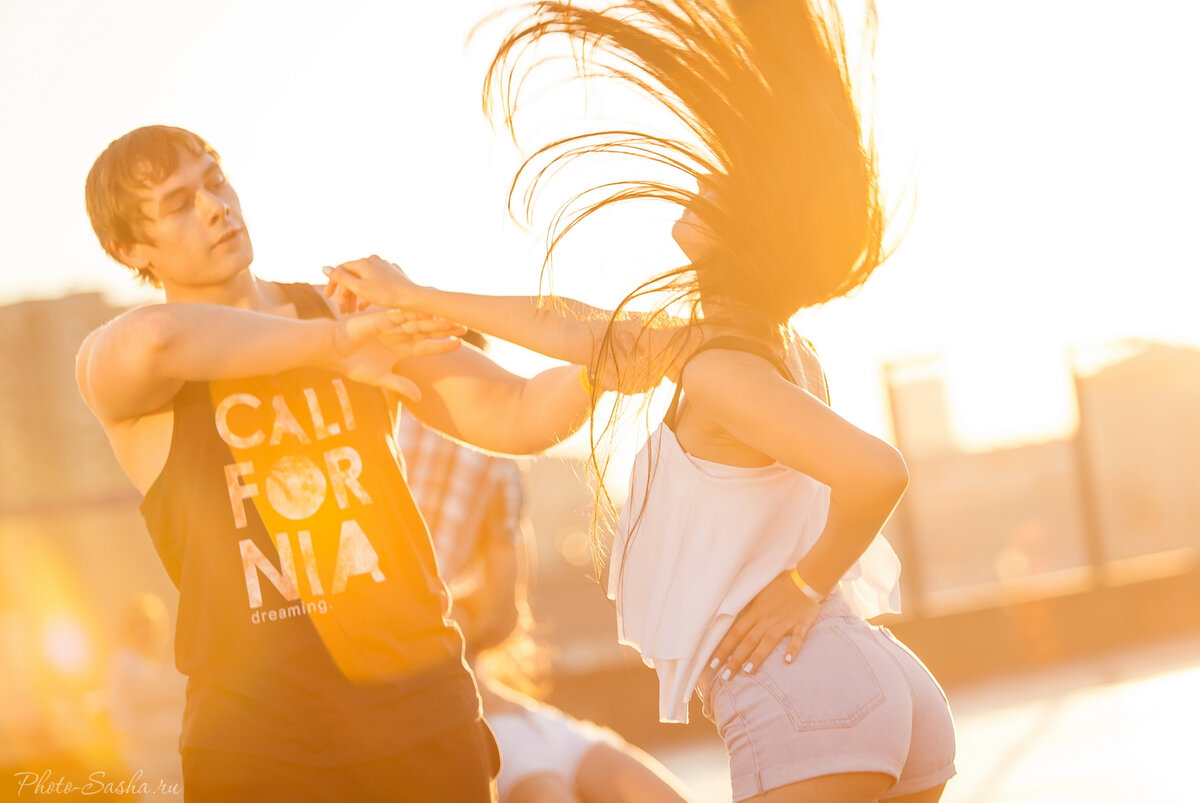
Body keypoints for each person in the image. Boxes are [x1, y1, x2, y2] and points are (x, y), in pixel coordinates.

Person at [323, 1, 956, 800]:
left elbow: (877, 470)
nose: (698, 183)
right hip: (865, 681)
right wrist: (421, 295)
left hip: (807, 691)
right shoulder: (754, 347)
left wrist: (801, 585)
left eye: (721, 187)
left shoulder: (724, 367)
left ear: (752, 229)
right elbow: (573, 326)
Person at [76, 124, 600, 801]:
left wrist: (601, 369)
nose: (214, 205)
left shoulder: (347, 311)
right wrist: (332, 344)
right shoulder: (138, 367)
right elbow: (159, 338)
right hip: (258, 743)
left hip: (422, 717)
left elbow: (518, 410)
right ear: (131, 249)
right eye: (178, 203)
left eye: (214, 178)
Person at [396, 332, 692, 803]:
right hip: (500, 713)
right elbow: (500, 616)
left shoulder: (358, 431)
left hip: (443, 722)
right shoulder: (495, 459)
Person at [106, 593, 187, 792]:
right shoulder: (124, 663)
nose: (151, 634)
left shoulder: (144, 665)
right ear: (133, 628)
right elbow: (124, 716)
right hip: (150, 762)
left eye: (153, 627)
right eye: (145, 626)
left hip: (166, 760)